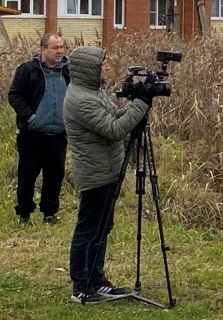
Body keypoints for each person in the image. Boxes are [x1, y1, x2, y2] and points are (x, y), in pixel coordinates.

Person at [64, 46, 154, 304]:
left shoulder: (92, 92)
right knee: (89, 229)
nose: (107, 66)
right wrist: (142, 103)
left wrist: (136, 102)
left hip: (106, 168)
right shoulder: (82, 99)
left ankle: (97, 280)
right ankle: (82, 286)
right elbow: (115, 130)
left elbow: (114, 115)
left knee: (102, 227)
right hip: (96, 172)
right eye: (103, 63)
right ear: (89, 68)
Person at [8, 33, 70, 226]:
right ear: (43, 49)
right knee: (27, 175)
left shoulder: (68, 71)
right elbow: (15, 96)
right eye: (55, 47)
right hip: (32, 134)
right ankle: (24, 214)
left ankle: (49, 213)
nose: (60, 51)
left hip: (58, 135)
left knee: (55, 175)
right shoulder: (28, 70)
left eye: (61, 47)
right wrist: (31, 117)